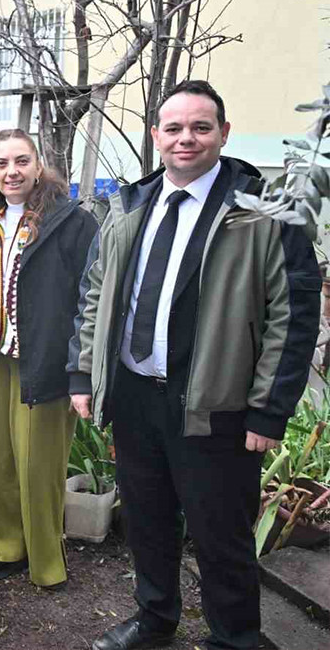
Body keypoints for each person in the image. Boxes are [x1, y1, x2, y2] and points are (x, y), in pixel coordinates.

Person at [69, 80, 320, 650]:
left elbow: (293, 314)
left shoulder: (265, 214)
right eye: (175, 128)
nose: (187, 138)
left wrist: (269, 409)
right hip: (136, 395)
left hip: (216, 404)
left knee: (220, 534)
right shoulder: (129, 207)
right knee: (147, 520)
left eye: (201, 127)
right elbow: (95, 294)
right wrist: (84, 373)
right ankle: (154, 619)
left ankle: (234, 639)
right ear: (156, 135)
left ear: (223, 134)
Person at [0, 128, 98, 589]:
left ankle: (45, 561)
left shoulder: (72, 222)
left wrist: (81, 369)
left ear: (38, 165)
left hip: (45, 362)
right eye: (2, 163)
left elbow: (91, 299)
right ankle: (0, 548)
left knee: (37, 465)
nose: (13, 171)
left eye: (22, 161)